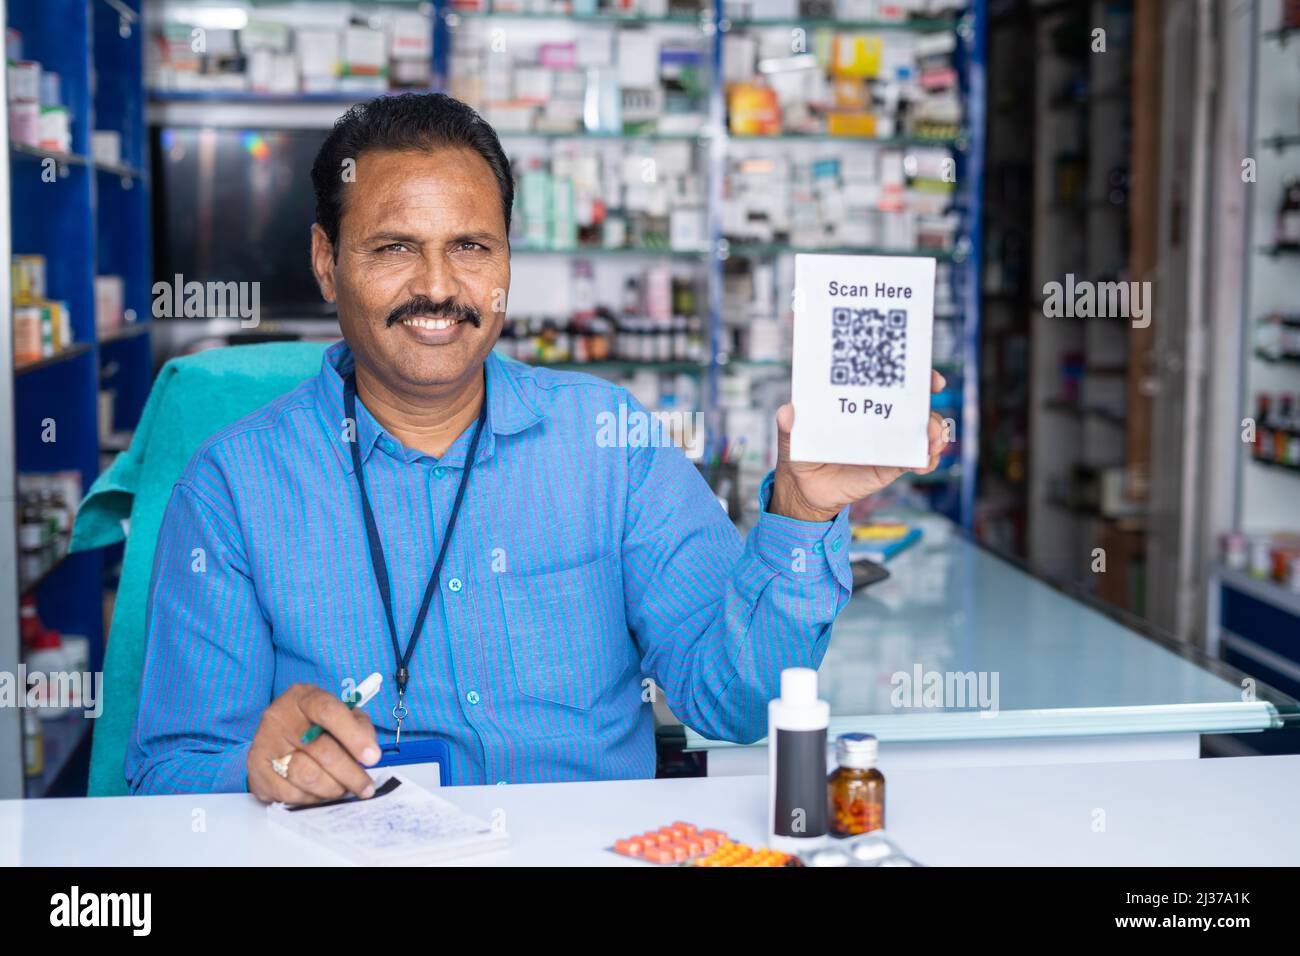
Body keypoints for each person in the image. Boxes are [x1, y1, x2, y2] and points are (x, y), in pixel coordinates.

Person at [127, 93, 947, 802]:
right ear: (327, 262)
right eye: (394, 248)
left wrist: (802, 515)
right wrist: (255, 770)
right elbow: (167, 774)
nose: (440, 287)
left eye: (471, 247)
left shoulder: (610, 442)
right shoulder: (232, 486)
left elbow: (733, 703)